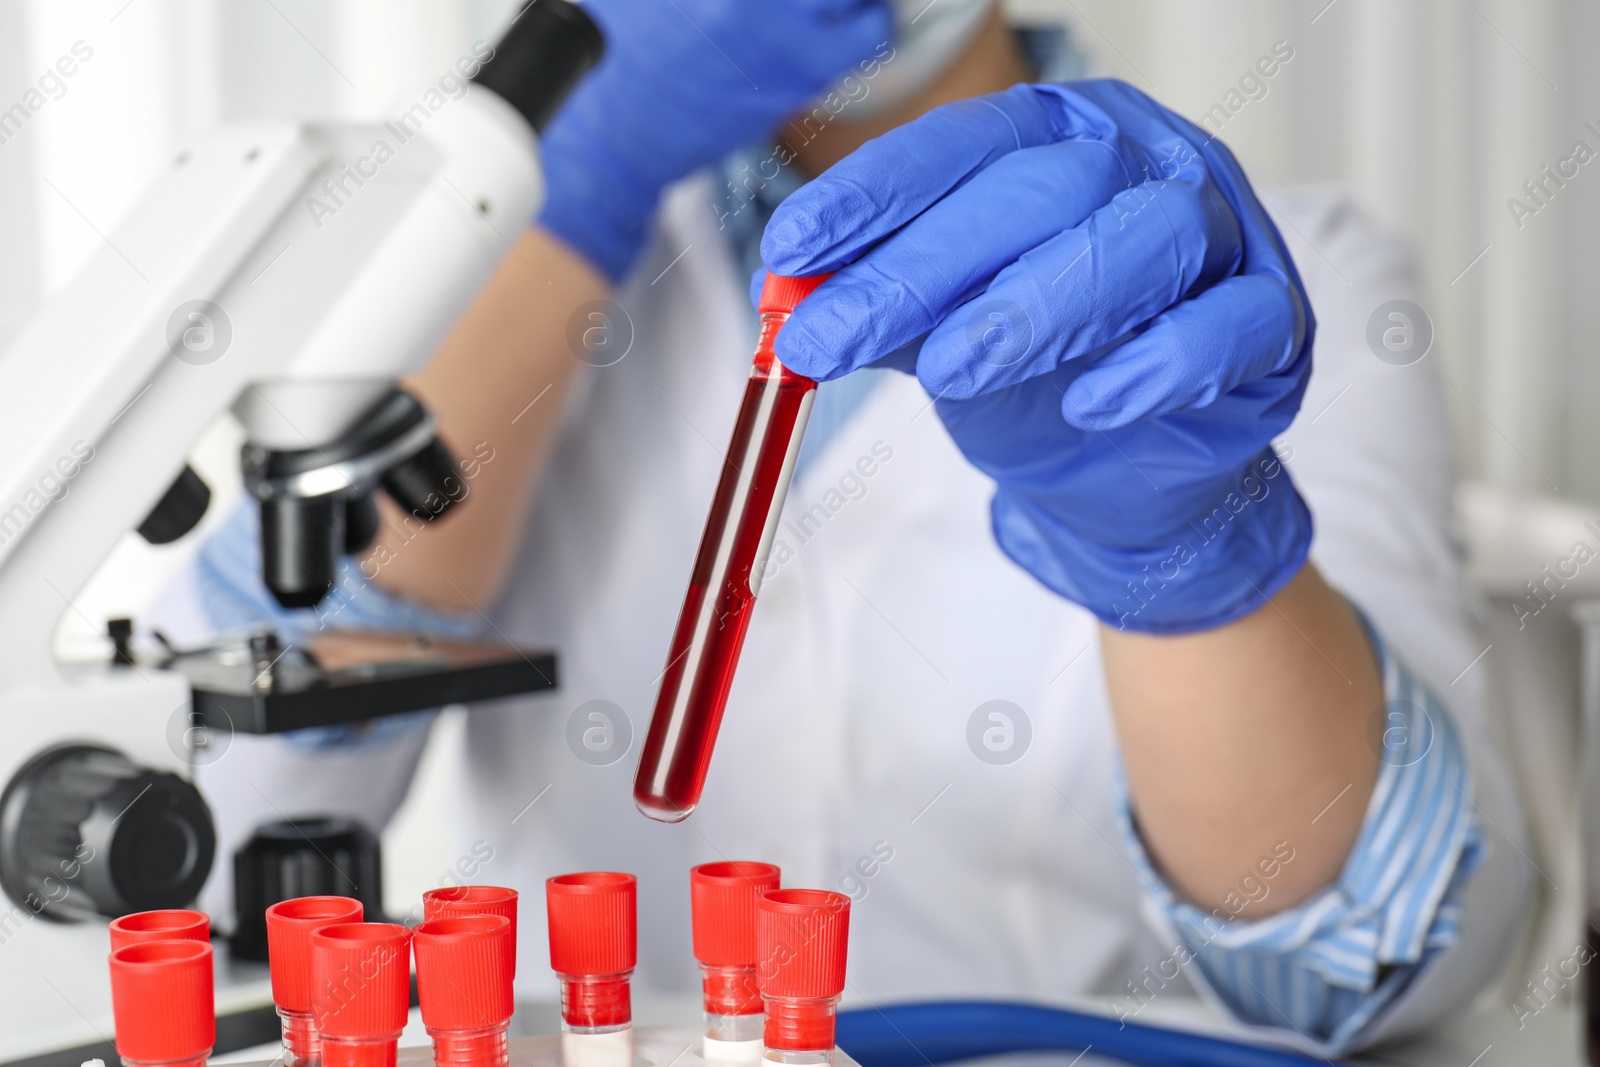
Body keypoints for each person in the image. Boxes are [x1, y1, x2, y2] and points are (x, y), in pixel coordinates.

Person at [160, 0, 1529, 1055]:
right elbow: (227, 814)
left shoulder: (1254, 268)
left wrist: (1189, 558)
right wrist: (569, 184)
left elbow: (1380, 956)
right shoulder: (494, 276)